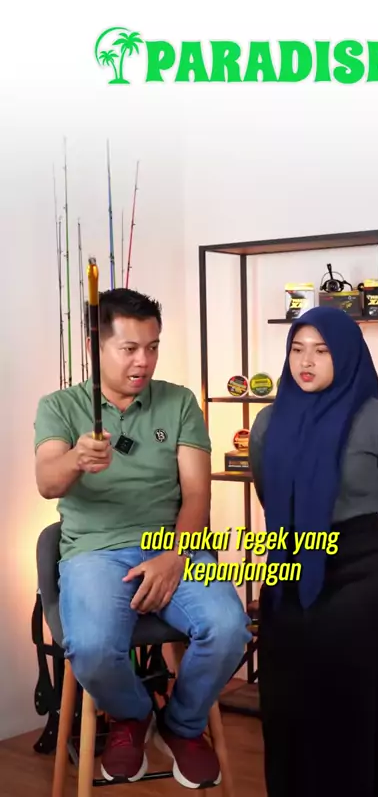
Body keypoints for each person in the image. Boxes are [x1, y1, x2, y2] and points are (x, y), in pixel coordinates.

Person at [34, 288, 251, 788]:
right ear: (96, 346)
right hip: (94, 552)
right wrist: (76, 459)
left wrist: (176, 555)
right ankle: (133, 716)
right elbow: (47, 482)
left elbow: (197, 494)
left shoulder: (179, 402)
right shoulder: (60, 407)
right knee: (91, 647)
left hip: (174, 547)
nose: (144, 361)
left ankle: (182, 724)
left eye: (152, 347)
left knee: (229, 628)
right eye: (129, 348)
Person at [248, 306, 378, 797]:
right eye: (297, 349)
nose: (306, 362)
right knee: (286, 700)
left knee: (351, 701)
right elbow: (267, 492)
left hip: (360, 572)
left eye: (321, 351)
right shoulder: (268, 422)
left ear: (345, 355)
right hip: (288, 565)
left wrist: (370, 557)